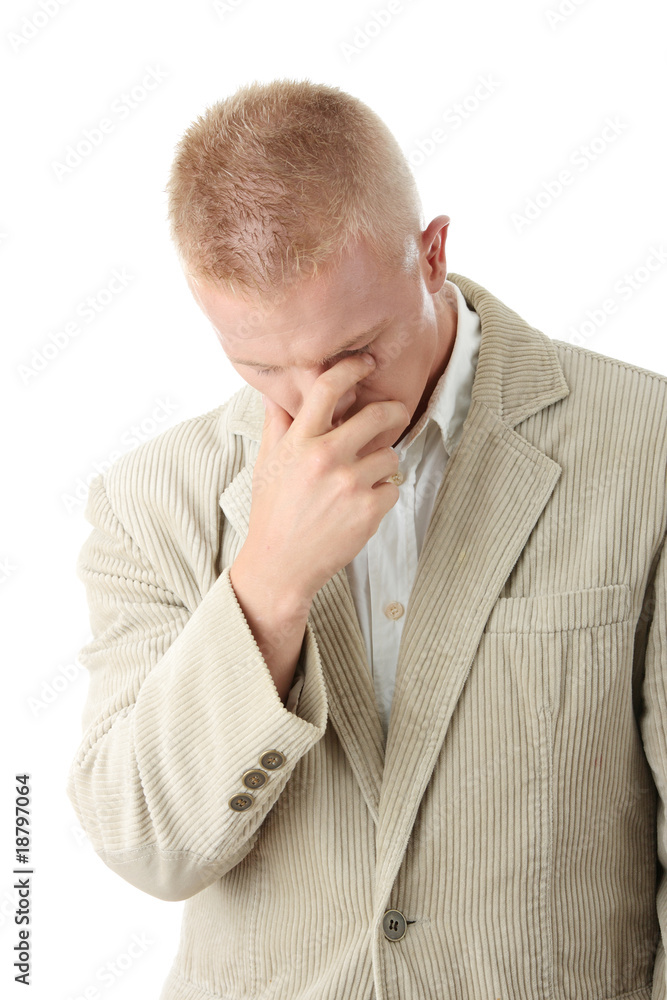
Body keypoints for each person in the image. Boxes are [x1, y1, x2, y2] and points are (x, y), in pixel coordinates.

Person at [66, 78, 667, 1000]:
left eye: (352, 354)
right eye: (260, 366)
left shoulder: (646, 448)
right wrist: (268, 585)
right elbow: (147, 846)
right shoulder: (149, 500)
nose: (317, 402)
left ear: (431, 255)